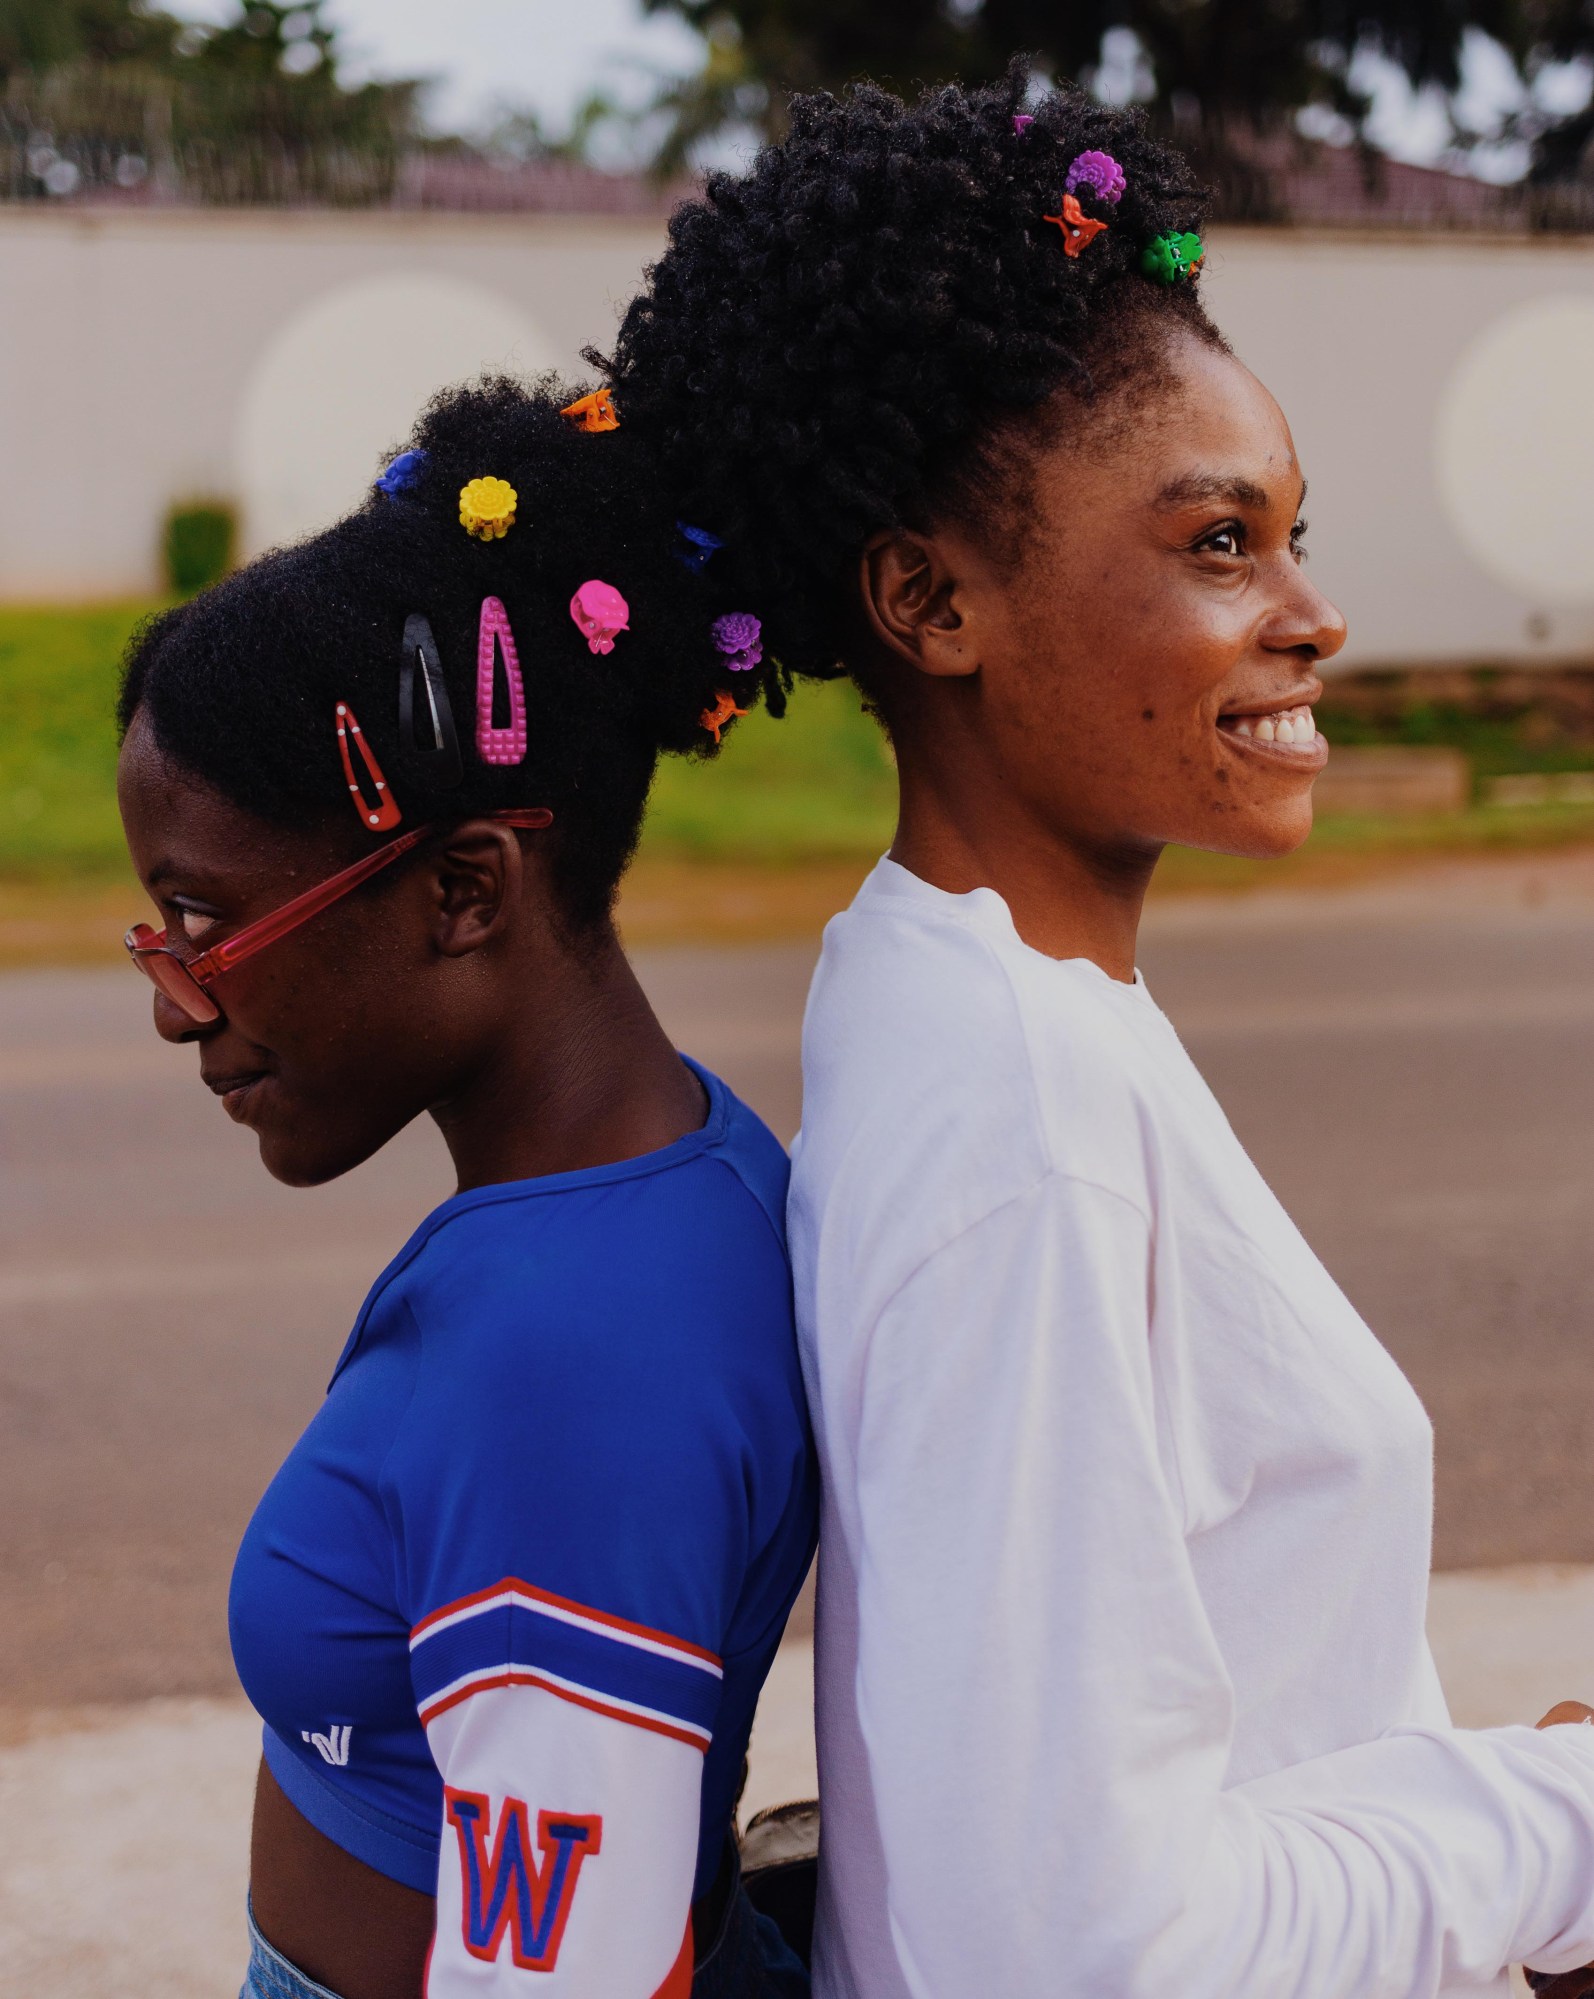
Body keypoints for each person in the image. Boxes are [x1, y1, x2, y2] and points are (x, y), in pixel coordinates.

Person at [600, 66, 1594, 1999]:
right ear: (927, 601)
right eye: (1218, 543)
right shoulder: (1020, 1104)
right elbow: (1065, 1953)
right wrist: (1547, 1832)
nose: (1308, 614)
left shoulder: (945, 980)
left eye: (1295, 536)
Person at [115, 377, 816, 1999]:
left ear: (457, 890)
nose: (173, 997)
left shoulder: (579, 1351)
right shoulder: (661, 1183)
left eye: (203, 923)